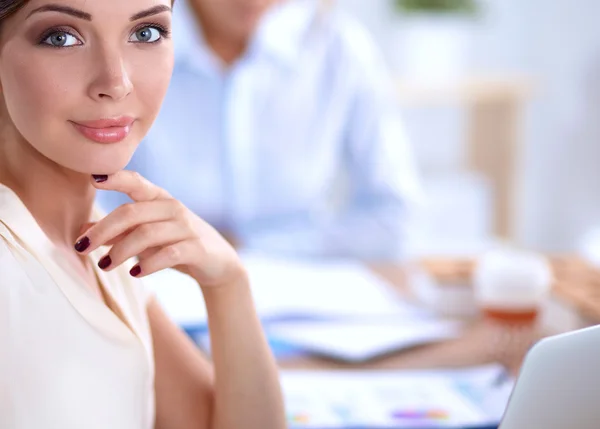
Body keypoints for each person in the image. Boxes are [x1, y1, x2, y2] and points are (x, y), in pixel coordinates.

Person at [0, 1, 286, 428]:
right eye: (61, 37)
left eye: (147, 33)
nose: (116, 82)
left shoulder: (97, 243)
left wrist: (228, 282)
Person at [97, 0, 421, 261]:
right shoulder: (125, 42)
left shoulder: (336, 46)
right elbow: (90, 212)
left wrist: (246, 247)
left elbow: (394, 219)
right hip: (157, 289)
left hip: (302, 299)